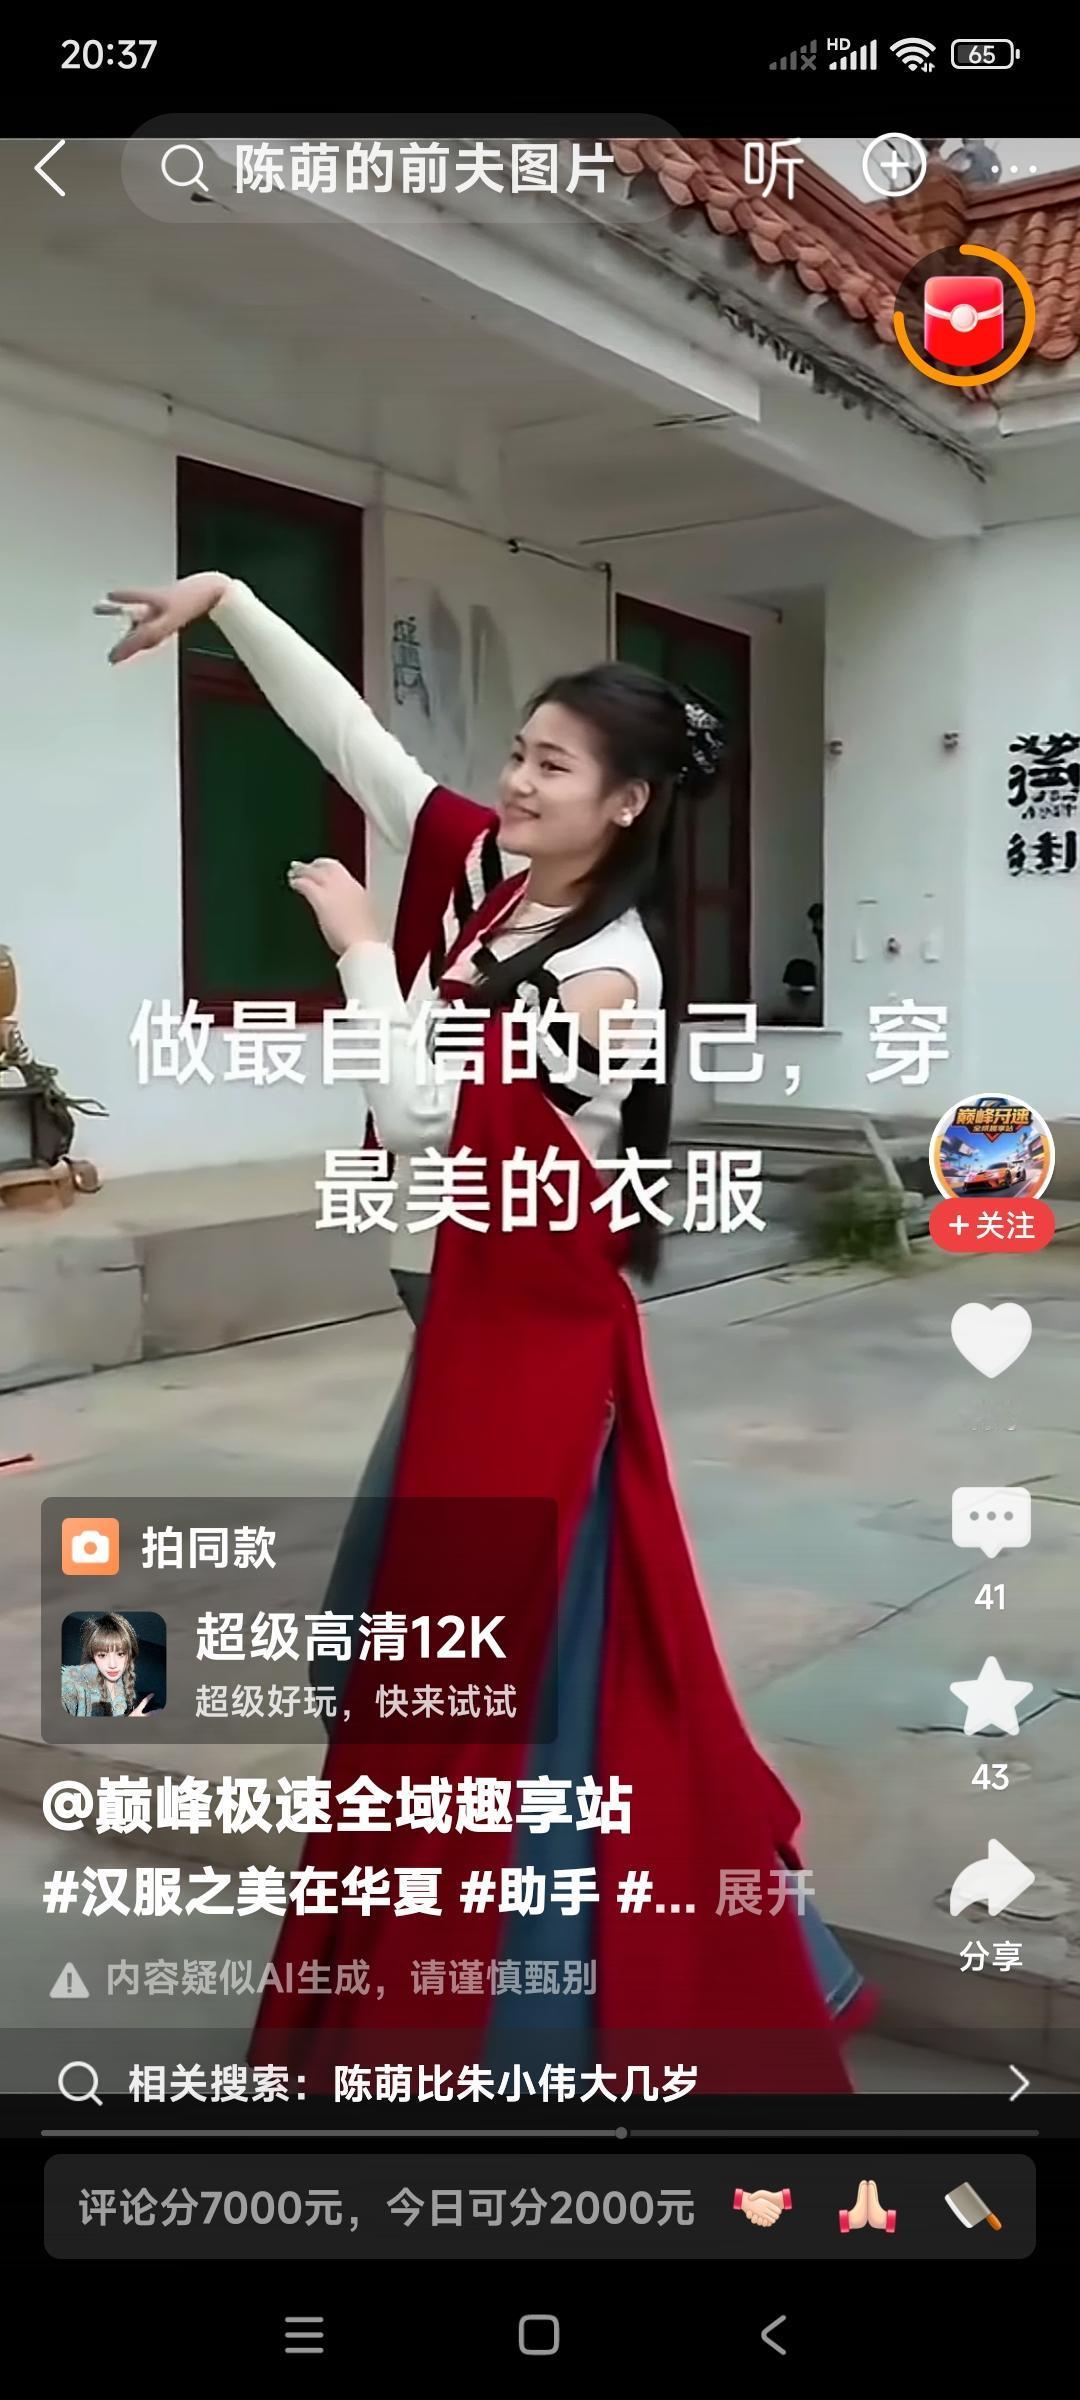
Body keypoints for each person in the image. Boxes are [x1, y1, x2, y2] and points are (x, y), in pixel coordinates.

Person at [99, 573, 870, 2090]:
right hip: (461, 1319)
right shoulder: (499, 882)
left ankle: (538, 2017)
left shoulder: (609, 977)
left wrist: (354, 944)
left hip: (528, 1349)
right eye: (517, 751)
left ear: (626, 804)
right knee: (420, 1656)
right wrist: (232, 601)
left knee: (490, 1673)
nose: (514, 782)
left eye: (550, 765)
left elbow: (421, 1109)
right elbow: (363, 750)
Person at [60, 1611, 152, 1717]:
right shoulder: (70, 1684)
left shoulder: (122, 1683)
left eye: (120, 1654)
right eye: (102, 1655)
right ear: (93, 1656)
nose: (112, 1665)